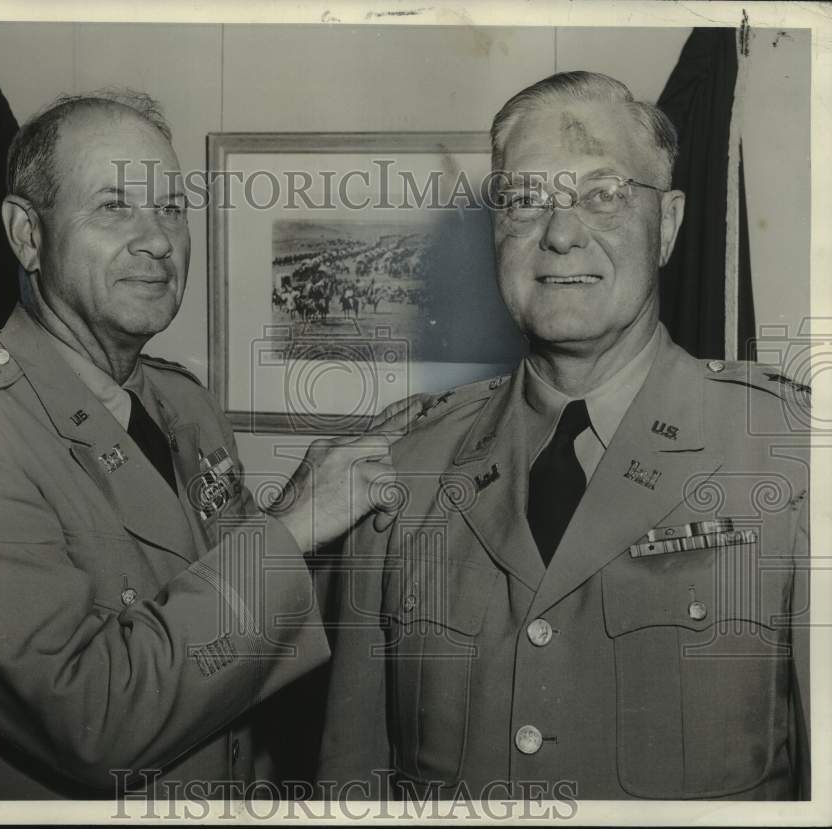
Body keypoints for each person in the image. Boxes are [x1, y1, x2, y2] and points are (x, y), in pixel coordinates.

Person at [0, 91, 419, 799]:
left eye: (171, 209)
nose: (157, 238)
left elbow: (218, 613)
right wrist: (293, 525)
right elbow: (96, 717)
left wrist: (328, 494)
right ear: (27, 235)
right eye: (114, 206)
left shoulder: (180, 402)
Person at [318, 71, 810, 801]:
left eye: (603, 194)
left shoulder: (791, 460)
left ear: (668, 224)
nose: (559, 232)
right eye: (524, 200)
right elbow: (351, 783)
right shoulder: (405, 470)